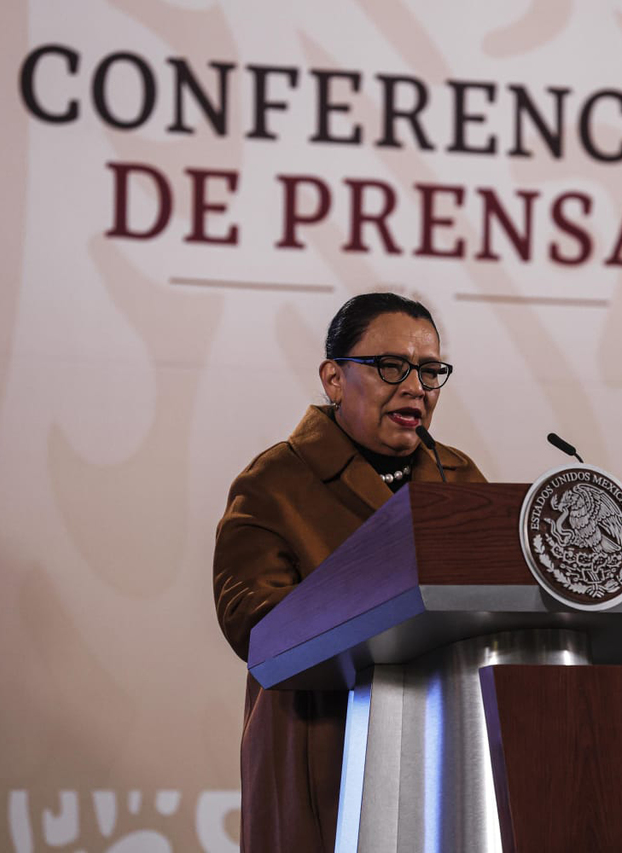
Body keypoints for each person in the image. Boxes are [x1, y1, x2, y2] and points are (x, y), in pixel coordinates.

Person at [212, 292, 487, 851]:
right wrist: (381, 601)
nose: (415, 387)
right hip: (324, 752)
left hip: (445, 751)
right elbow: (251, 624)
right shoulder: (274, 482)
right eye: (391, 367)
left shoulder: (458, 478)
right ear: (334, 379)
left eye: (429, 371)